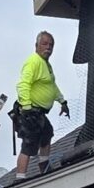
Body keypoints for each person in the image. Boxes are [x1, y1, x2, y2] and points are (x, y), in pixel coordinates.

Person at [12, 31, 69, 177]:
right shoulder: (34, 62)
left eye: (51, 45)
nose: (48, 47)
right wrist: (26, 107)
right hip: (30, 110)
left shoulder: (46, 65)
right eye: (44, 44)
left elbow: (52, 86)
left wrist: (62, 102)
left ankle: (44, 165)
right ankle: (20, 177)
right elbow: (23, 84)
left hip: (39, 112)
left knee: (47, 133)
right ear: (36, 45)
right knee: (29, 143)